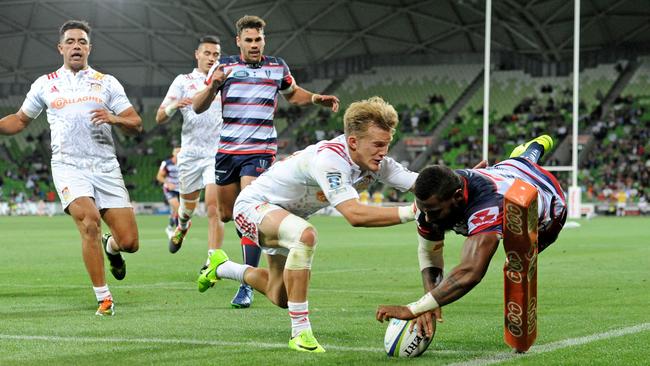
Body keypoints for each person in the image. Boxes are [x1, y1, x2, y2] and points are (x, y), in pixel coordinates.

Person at [197, 97, 419, 352]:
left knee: (280, 296)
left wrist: (467, 181)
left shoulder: (376, 162)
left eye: (387, 145)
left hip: (284, 217)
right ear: (354, 142)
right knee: (306, 235)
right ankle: (300, 333)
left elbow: (420, 182)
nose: (384, 151)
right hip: (253, 206)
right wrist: (413, 211)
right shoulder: (330, 159)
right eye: (378, 144)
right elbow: (354, 215)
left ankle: (222, 267)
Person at [193, 15, 340, 308]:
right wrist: (213, 87)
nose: (254, 45)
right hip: (227, 152)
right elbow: (198, 107)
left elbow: (293, 94)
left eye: (258, 39)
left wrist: (316, 99)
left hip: (260, 151)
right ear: (238, 42)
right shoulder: (225, 69)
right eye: (248, 40)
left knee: (251, 209)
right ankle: (225, 262)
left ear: (264, 39)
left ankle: (246, 287)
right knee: (227, 214)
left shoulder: (277, 67)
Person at [0, 20, 142, 316]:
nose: (76, 46)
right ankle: (104, 297)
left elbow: (135, 123)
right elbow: (19, 120)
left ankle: (112, 248)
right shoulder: (45, 83)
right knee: (89, 222)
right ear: (61, 48)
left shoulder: (107, 82)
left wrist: (115, 119)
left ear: (89, 48)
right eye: (71, 41)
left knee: (129, 243)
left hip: (105, 166)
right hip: (68, 165)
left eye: (82, 41)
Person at [375, 135, 567, 339]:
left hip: (548, 203)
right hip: (507, 170)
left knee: (517, 260)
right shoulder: (434, 200)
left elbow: (471, 271)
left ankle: (533, 149)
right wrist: (428, 303)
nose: (428, 219)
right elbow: (430, 252)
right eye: (424, 210)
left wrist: (412, 309)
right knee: (522, 161)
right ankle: (525, 154)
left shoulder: (488, 206)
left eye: (435, 212)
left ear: (458, 197)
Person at [156, 36, 225, 269]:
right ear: (197, 54)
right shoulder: (183, 81)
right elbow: (160, 116)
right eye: (207, 53)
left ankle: (212, 260)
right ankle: (183, 226)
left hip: (216, 154)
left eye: (216, 55)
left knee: (214, 208)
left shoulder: (225, 81)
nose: (211, 58)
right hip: (190, 156)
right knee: (187, 210)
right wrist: (175, 105)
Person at [156, 147, 181, 239]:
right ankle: (178, 232)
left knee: (176, 210)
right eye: (177, 152)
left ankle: (169, 228)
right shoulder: (166, 163)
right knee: (178, 208)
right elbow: (159, 177)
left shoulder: (184, 163)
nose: (179, 154)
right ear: (173, 153)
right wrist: (168, 183)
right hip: (169, 189)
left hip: (180, 189)